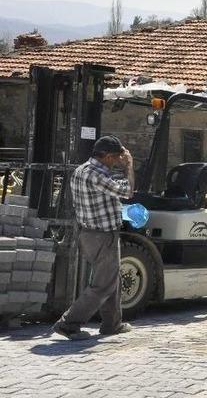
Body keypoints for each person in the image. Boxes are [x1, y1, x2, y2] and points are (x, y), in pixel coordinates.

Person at [52, 136, 135, 340]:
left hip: (90, 234)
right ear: (106, 156)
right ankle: (68, 324)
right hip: (102, 236)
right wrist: (129, 167)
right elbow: (128, 192)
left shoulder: (81, 170)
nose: (117, 160)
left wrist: (120, 170)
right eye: (115, 157)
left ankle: (112, 324)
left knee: (111, 277)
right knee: (103, 285)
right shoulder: (95, 175)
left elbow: (112, 186)